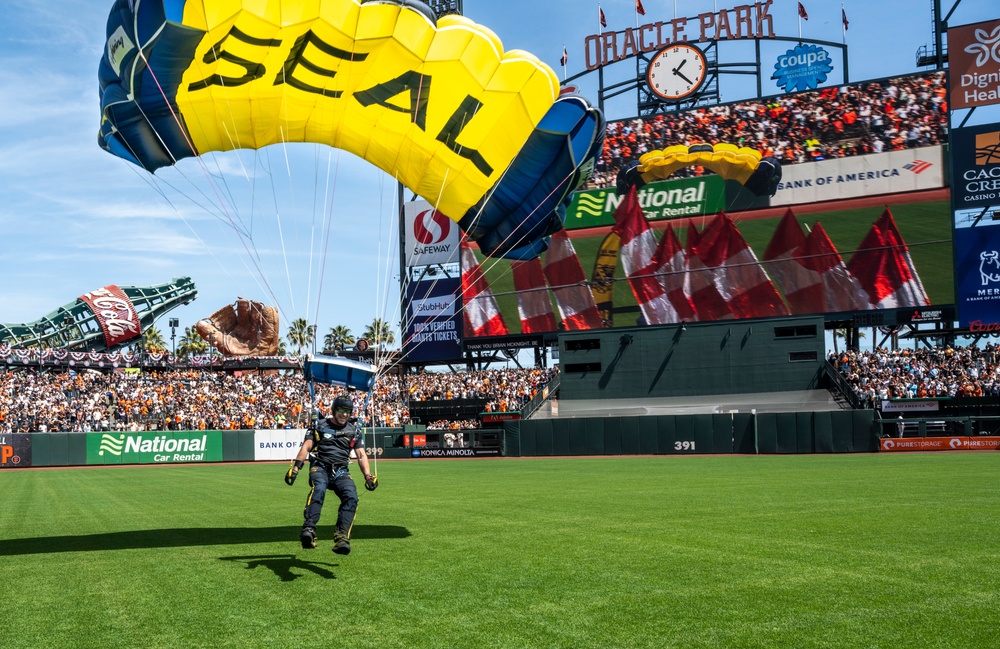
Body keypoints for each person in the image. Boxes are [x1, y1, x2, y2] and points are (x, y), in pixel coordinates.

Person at [284, 395, 378, 555]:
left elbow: (361, 455)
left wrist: (368, 476)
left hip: (341, 471)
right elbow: (307, 447)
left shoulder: (353, 431)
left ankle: (342, 537)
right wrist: (295, 468)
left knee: (351, 496)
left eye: (348, 411)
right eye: (341, 410)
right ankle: (309, 529)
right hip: (320, 466)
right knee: (319, 488)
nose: (344, 414)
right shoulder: (319, 425)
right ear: (334, 410)